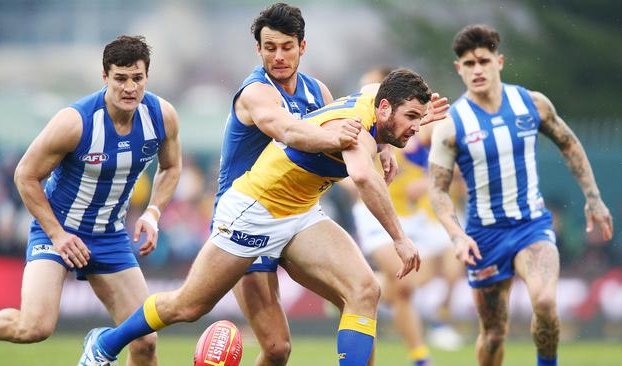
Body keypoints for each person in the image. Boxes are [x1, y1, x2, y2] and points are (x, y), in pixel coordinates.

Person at [79, 68, 449, 366]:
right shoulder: (352, 130)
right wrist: (399, 238)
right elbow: (364, 177)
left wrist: (387, 144)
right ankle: (105, 343)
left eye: (419, 118)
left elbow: (373, 94)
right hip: (253, 211)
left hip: (301, 213)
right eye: (411, 118)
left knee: (365, 290)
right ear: (384, 109)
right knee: (189, 305)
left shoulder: (375, 98)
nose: (418, 127)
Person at [0, 35, 182, 366]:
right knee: (34, 327)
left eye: (137, 78)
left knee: (145, 340)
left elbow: (171, 168)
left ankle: (101, 345)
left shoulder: (162, 116)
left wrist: (153, 212)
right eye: (120, 79)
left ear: (147, 77)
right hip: (57, 231)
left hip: (111, 236)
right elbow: (25, 176)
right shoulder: (75, 122)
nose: (129, 88)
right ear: (104, 77)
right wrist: (57, 234)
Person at [427, 24, 613, 366]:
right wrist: (456, 235)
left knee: (544, 303)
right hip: (484, 236)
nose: (477, 69)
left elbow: (569, 144)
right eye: (468, 64)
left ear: (499, 61)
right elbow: (437, 189)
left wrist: (594, 197)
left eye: (483, 60)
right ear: (459, 69)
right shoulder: (452, 124)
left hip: (531, 227)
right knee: (494, 334)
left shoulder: (532, 104)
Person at [217, 3, 376, 366]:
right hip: (247, 219)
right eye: (269, 48)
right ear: (258, 49)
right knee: (276, 350)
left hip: (297, 216)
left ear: (302, 46)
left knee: (362, 297)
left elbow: (346, 140)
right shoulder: (255, 92)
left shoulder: (317, 91)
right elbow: (289, 132)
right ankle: (109, 341)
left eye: (287, 47)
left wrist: (377, 150)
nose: (278, 56)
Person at [350, 67, 464, 366]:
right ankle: (421, 357)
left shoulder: (414, 126)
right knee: (406, 287)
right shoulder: (362, 122)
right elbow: (350, 172)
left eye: (370, 86)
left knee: (412, 282)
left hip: (411, 218)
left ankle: (355, 286)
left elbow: (455, 159)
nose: (366, 94)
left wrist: (427, 181)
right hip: (374, 214)